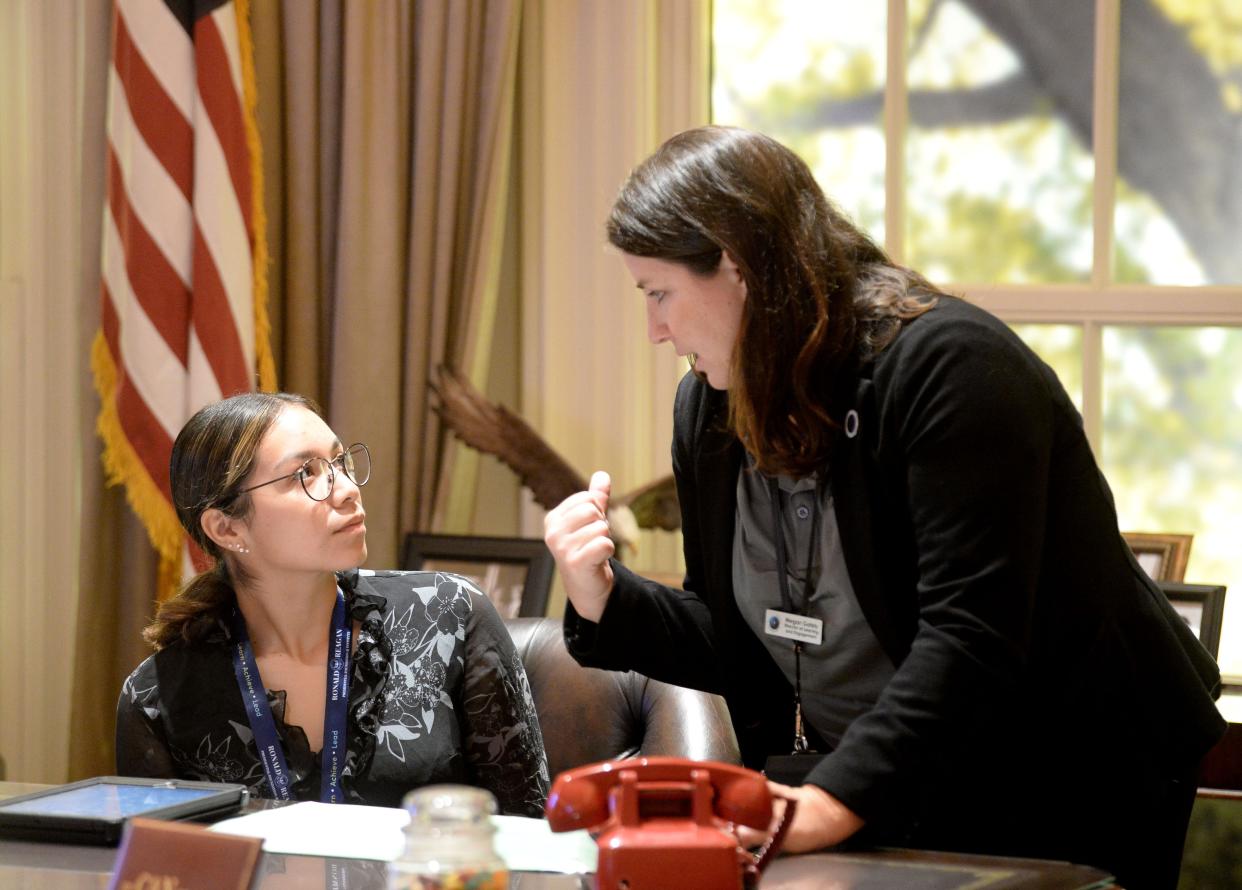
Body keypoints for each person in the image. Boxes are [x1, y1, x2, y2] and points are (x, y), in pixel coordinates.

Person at [543, 126, 1225, 888]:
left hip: (1070, 768)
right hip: (901, 776)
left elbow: (972, 639)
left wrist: (828, 802)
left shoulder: (954, 369)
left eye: (659, 293)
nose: (654, 330)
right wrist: (603, 598)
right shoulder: (708, 412)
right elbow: (737, 638)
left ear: (735, 264)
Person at [117, 392, 549, 814]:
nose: (346, 489)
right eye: (305, 473)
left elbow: (532, 834)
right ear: (227, 529)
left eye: (339, 463)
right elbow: (160, 874)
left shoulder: (448, 614)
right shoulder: (158, 697)